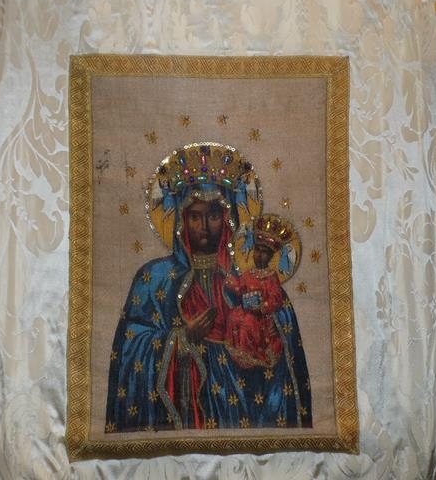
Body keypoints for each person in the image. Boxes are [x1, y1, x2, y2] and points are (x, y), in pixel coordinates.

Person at [105, 143, 312, 432]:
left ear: (228, 220)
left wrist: (261, 331)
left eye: (213, 215)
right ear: (180, 221)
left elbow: (284, 346)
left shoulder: (255, 278)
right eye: (195, 216)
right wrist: (182, 338)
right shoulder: (153, 279)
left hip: (245, 405)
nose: (204, 226)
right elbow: (131, 347)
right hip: (188, 404)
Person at [224, 215, 293, 369]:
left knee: (248, 324)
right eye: (257, 250)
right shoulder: (248, 274)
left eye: (264, 252)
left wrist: (262, 306)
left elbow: (276, 298)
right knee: (233, 317)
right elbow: (240, 288)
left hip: (261, 316)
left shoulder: (271, 277)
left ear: (271, 256)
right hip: (246, 310)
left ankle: (250, 355)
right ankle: (239, 353)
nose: (259, 255)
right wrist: (230, 281)